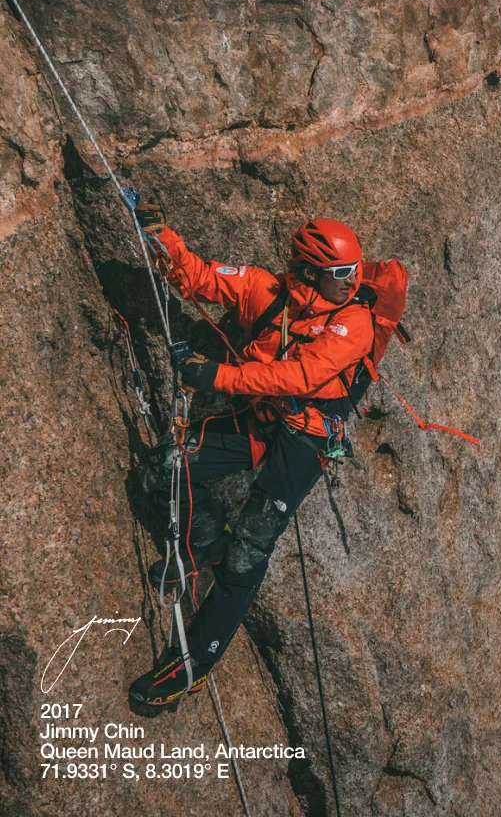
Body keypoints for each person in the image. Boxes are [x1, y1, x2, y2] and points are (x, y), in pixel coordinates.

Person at [128, 206, 375, 710]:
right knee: (163, 470)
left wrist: (216, 376)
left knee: (250, 551)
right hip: (260, 423)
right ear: (308, 272)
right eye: (341, 275)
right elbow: (198, 278)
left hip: (305, 440)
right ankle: (200, 547)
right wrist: (161, 236)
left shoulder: (356, 323)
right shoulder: (266, 291)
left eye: (353, 272)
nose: (352, 283)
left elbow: (300, 378)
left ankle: (192, 665)